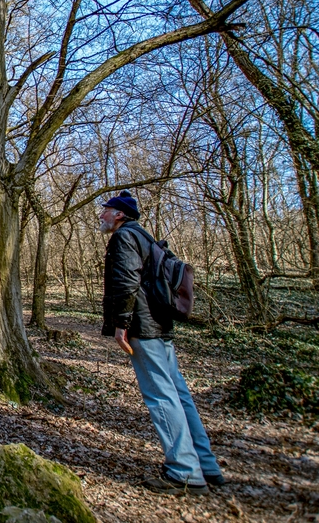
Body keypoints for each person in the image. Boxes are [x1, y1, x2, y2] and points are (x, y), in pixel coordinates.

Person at [99, 190, 225, 496]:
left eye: (106, 210)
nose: (101, 215)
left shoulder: (124, 237)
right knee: (179, 394)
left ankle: (183, 471)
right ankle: (205, 464)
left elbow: (127, 281)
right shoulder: (146, 237)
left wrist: (121, 324)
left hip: (144, 327)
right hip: (161, 325)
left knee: (161, 396)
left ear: (119, 214)